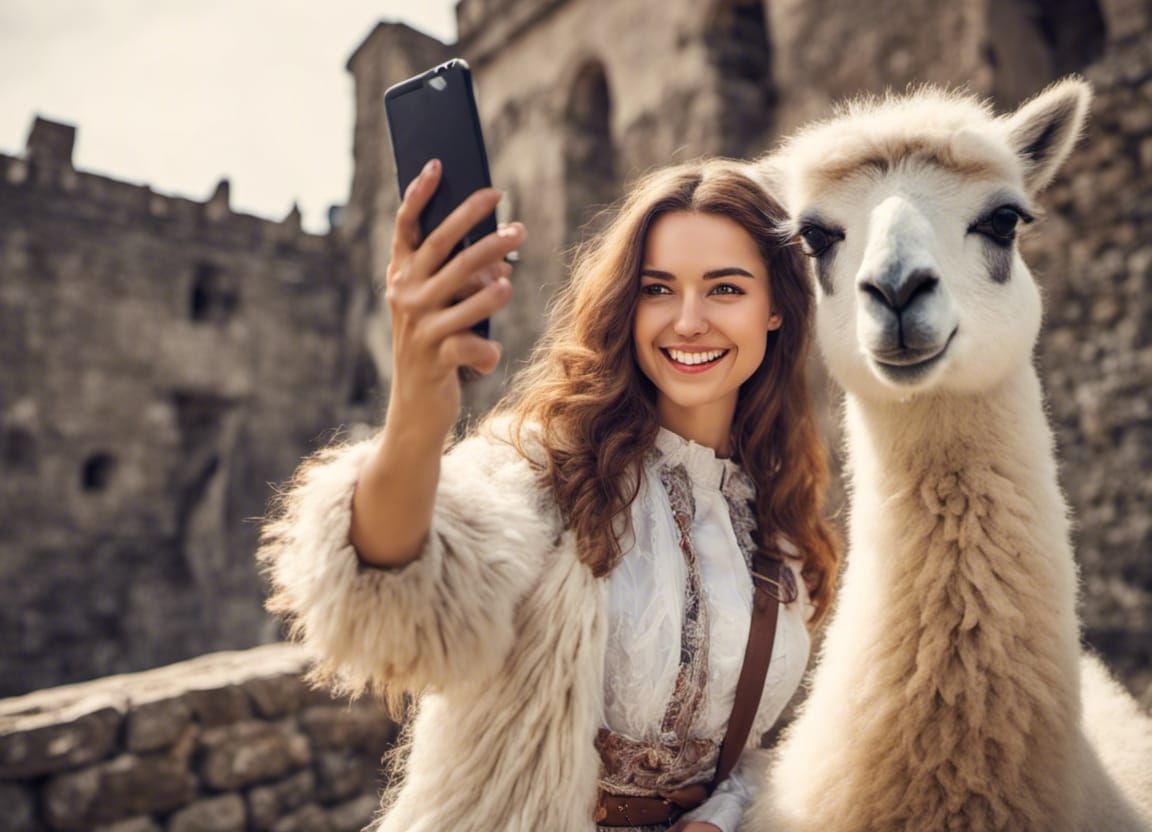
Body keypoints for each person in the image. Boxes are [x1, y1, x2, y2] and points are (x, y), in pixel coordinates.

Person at [258, 157, 840, 831]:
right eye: (657, 289)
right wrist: (417, 405)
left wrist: (722, 812)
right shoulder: (545, 463)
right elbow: (390, 581)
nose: (687, 321)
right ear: (626, 304)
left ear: (775, 310)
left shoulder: (777, 521)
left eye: (725, 290)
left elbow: (741, 747)